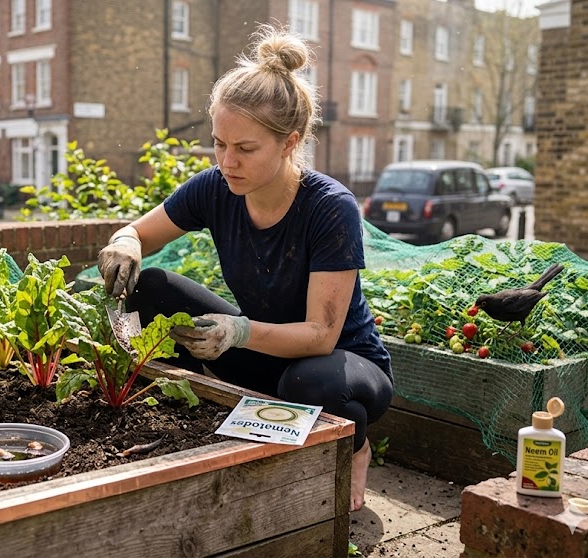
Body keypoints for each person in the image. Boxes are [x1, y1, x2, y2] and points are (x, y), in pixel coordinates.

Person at [96, 24, 393, 512]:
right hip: (262, 353)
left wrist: (236, 331)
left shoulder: (329, 207)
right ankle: (189, 417)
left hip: (341, 366)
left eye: (245, 149)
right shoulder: (215, 187)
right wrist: (126, 242)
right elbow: (138, 233)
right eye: (219, 144)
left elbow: (321, 335)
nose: (227, 162)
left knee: (307, 384)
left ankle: (354, 445)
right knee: (150, 287)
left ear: (289, 142)